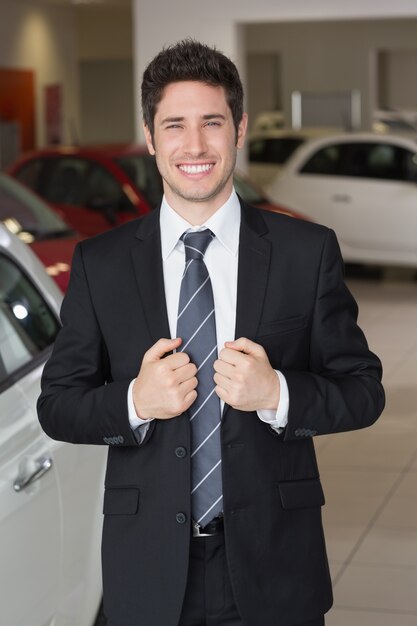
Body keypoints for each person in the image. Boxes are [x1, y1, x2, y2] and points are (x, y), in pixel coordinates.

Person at [37, 39, 385, 626]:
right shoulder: (101, 263)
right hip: (148, 565)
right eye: (174, 125)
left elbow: (364, 390)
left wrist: (278, 393)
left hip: (276, 562)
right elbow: (58, 406)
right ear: (150, 137)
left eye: (212, 123)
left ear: (239, 130)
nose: (194, 145)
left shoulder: (306, 252)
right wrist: (134, 402)